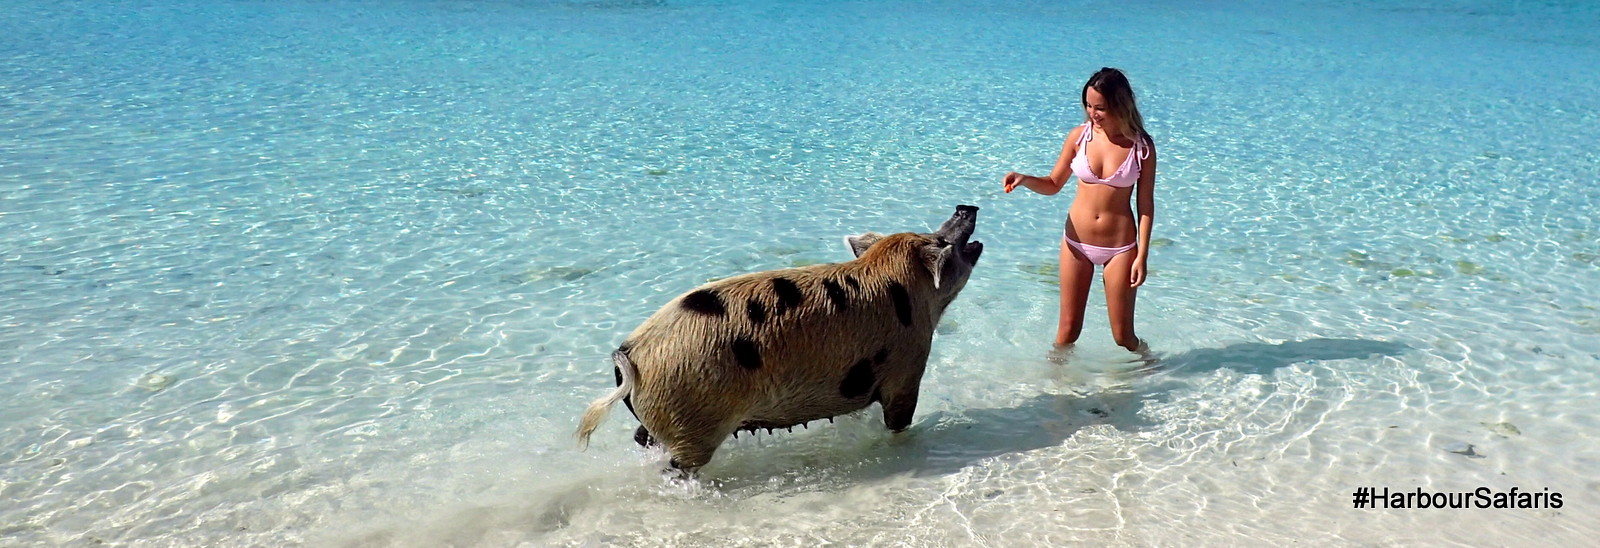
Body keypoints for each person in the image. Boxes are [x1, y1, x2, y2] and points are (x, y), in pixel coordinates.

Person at [1003, 67, 1156, 352]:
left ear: (1120, 105)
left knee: (1123, 336)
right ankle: (1056, 388)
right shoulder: (1079, 137)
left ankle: (1148, 361)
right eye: (1088, 105)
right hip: (1076, 242)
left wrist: (1142, 256)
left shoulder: (1141, 146)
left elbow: (1145, 205)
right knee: (1067, 331)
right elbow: (1052, 183)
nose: (1092, 113)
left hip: (1120, 248)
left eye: (1101, 108)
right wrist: (1024, 179)